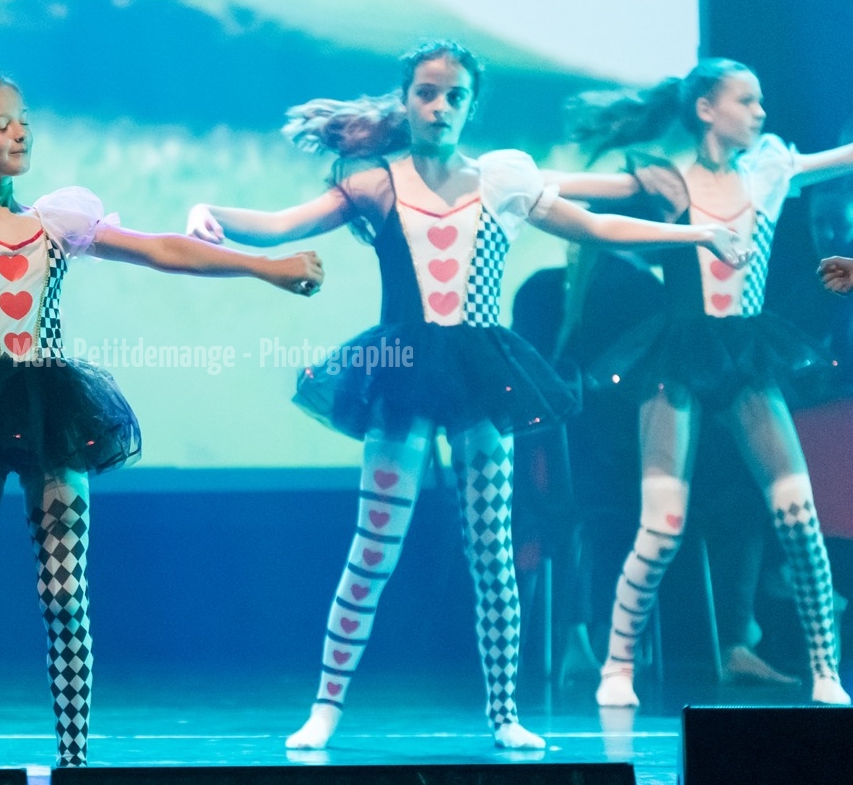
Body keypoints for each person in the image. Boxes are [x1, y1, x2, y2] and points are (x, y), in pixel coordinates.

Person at [185, 40, 749, 750]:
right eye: (426, 93)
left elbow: (596, 227)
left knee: (492, 554)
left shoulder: (502, 180)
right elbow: (281, 224)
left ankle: (505, 714)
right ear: (406, 100)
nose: (439, 106)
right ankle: (325, 707)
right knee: (372, 549)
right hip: (404, 372)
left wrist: (699, 231)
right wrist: (208, 208)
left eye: (454, 95)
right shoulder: (378, 183)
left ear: (471, 105)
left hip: (483, 375)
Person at [0, 70, 326, 769]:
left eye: (23, 117)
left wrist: (264, 266)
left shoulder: (56, 222)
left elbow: (162, 248)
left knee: (65, 593)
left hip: (51, 411)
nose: (19, 130)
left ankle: (75, 759)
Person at [555, 57, 853, 707]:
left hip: (748, 355)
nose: (761, 112)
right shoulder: (669, 181)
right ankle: (617, 665)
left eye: (762, 100)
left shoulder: (768, 172)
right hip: (679, 357)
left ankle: (826, 667)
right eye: (747, 101)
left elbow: (840, 158)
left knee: (798, 515)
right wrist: (505, 180)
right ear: (706, 110)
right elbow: (586, 190)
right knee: (661, 526)